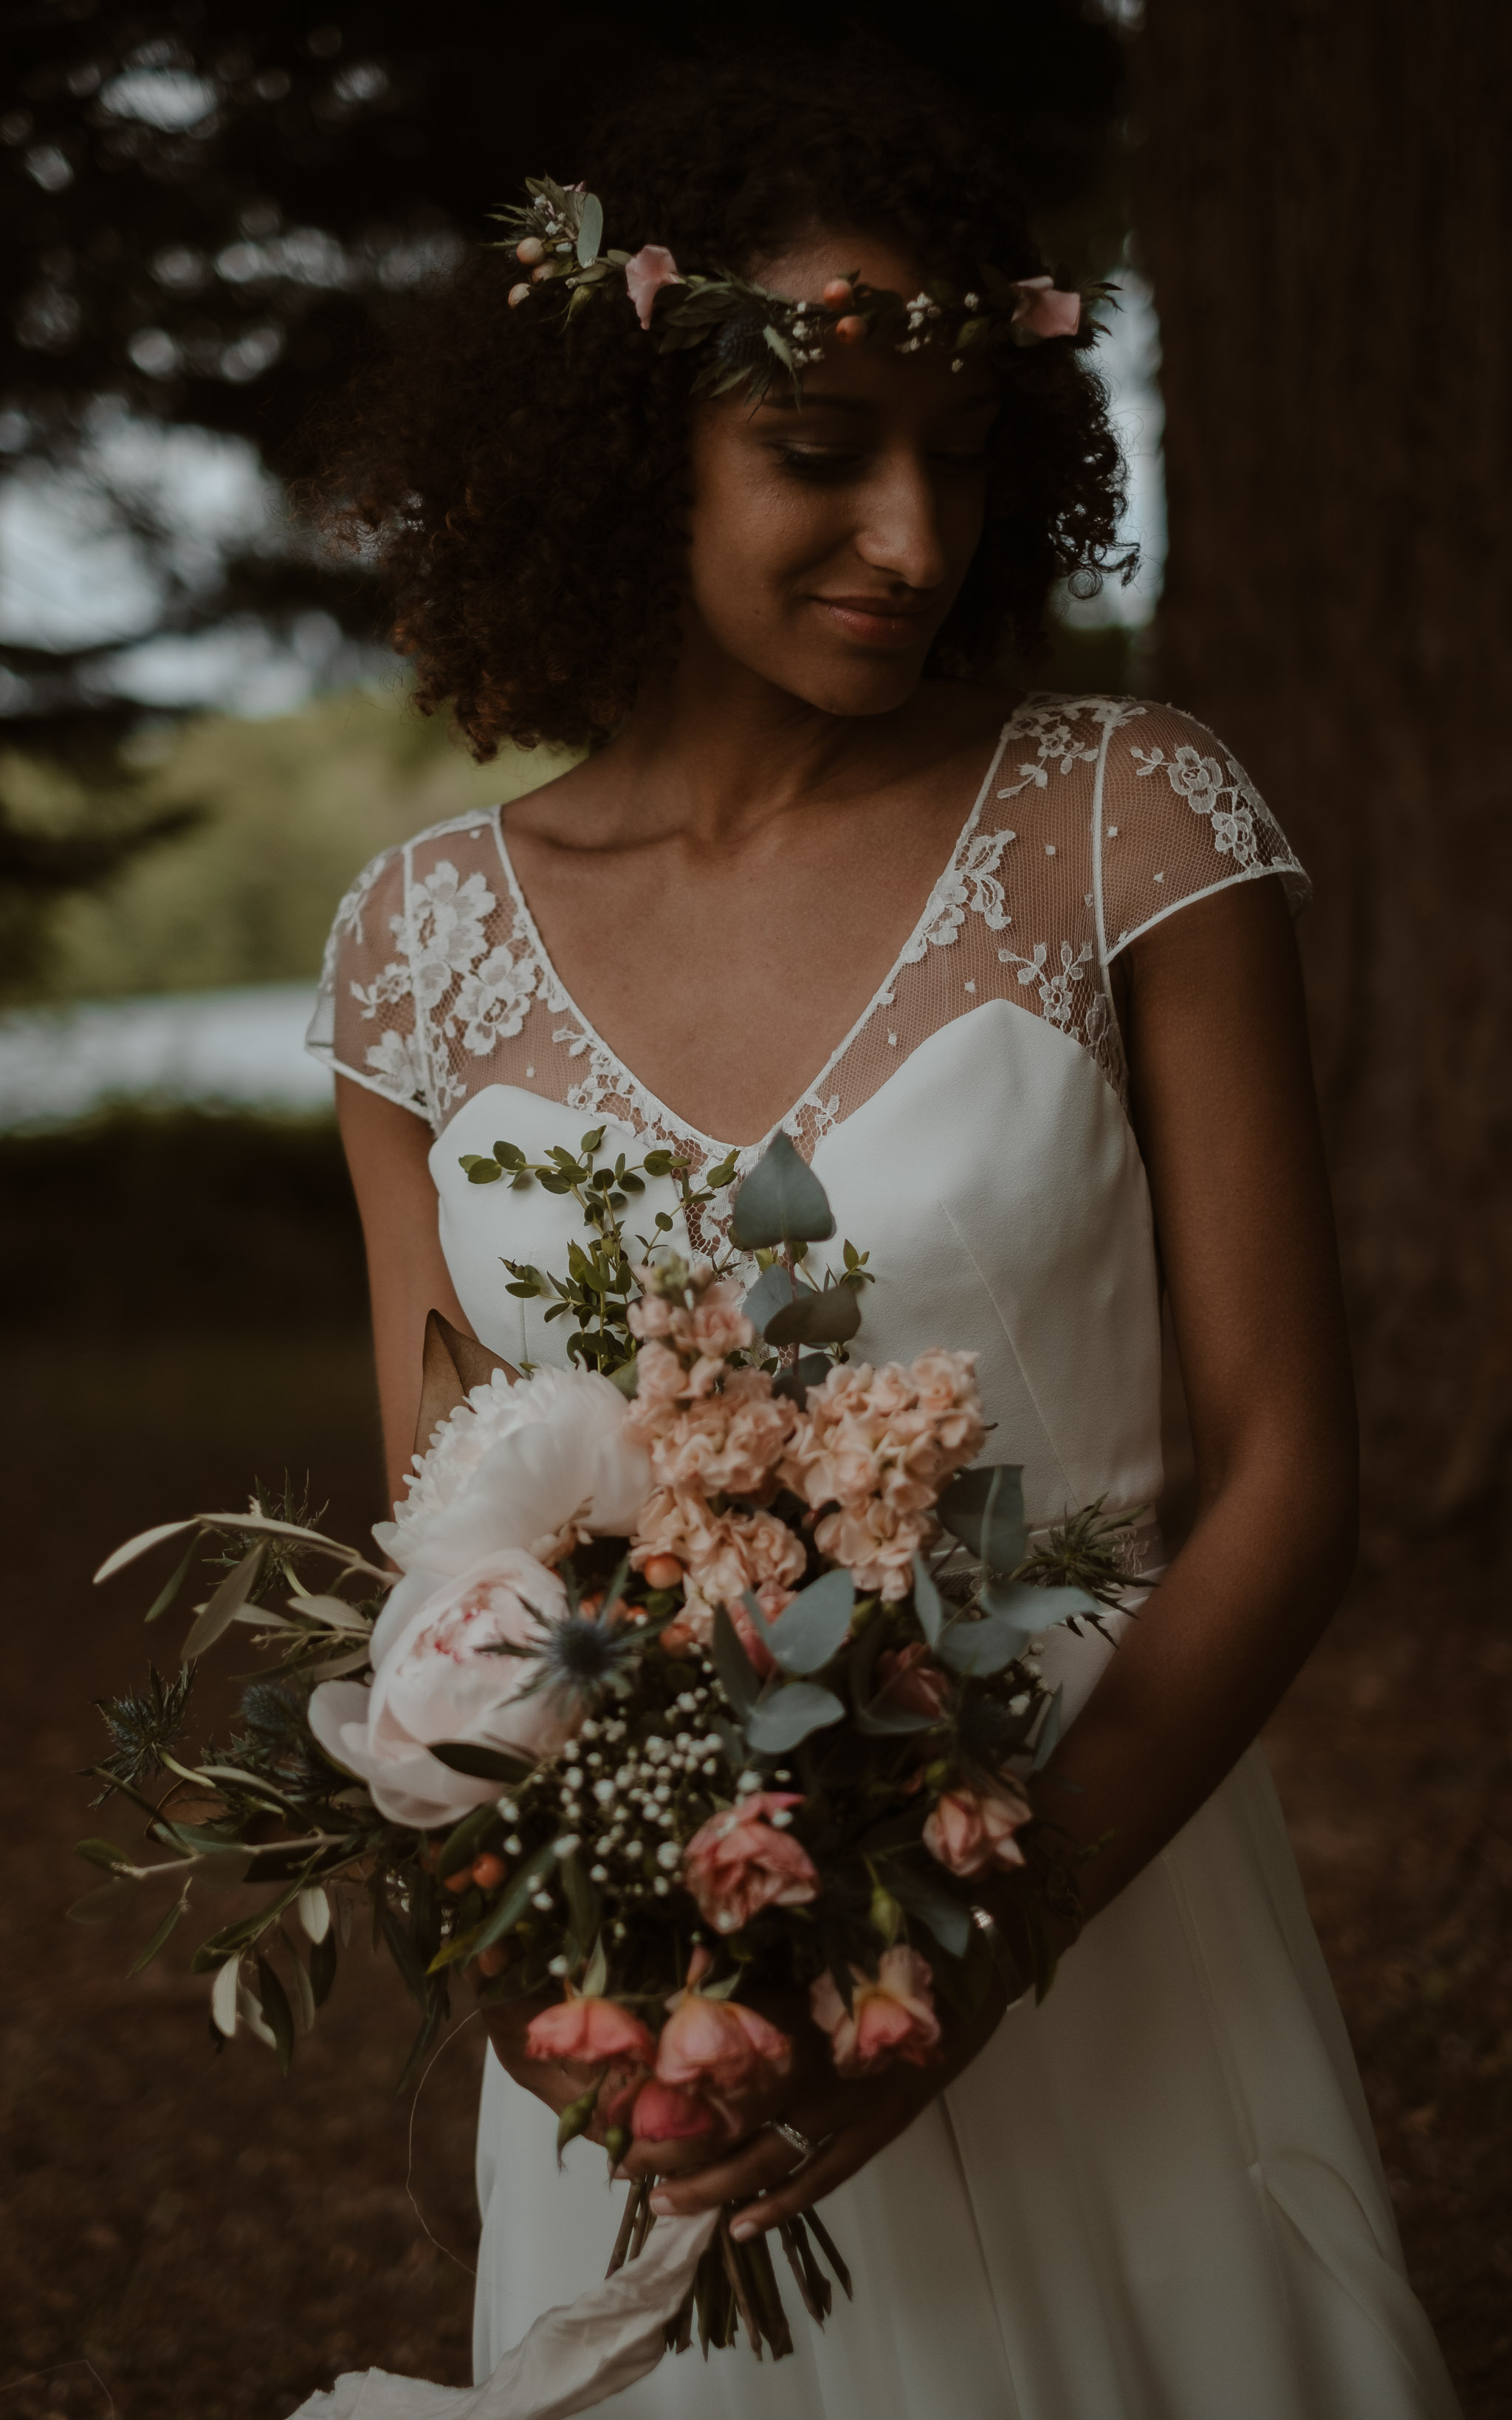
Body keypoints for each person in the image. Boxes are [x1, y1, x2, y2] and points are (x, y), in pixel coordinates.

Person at [305, 50, 1461, 2420]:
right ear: (637, 449)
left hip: (1107, 1917)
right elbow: (443, 1550)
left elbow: (1287, 1482)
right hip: (673, 2007)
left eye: (958, 456)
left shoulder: (1132, 817)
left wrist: (981, 1957)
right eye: (822, 456)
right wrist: (552, 1969)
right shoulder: (417, 948)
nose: (912, 539)